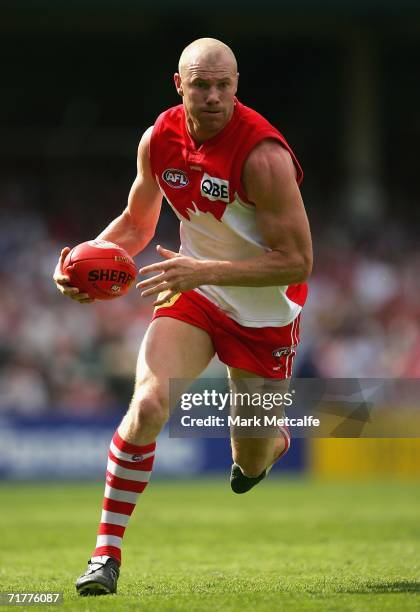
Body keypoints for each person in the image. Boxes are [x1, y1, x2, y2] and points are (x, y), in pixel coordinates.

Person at [53, 37, 312, 596]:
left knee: (251, 461)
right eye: (201, 84)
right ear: (180, 85)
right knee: (147, 404)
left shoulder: (263, 157)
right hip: (194, 293)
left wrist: (204, 270)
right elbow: (136, 221)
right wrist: (82, 259)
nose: (213, 96)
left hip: (264, 314)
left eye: (224, 85)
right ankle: (105, 555)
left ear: (237, 85)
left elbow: (297, 261)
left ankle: (270, 445)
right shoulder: (159, 138)